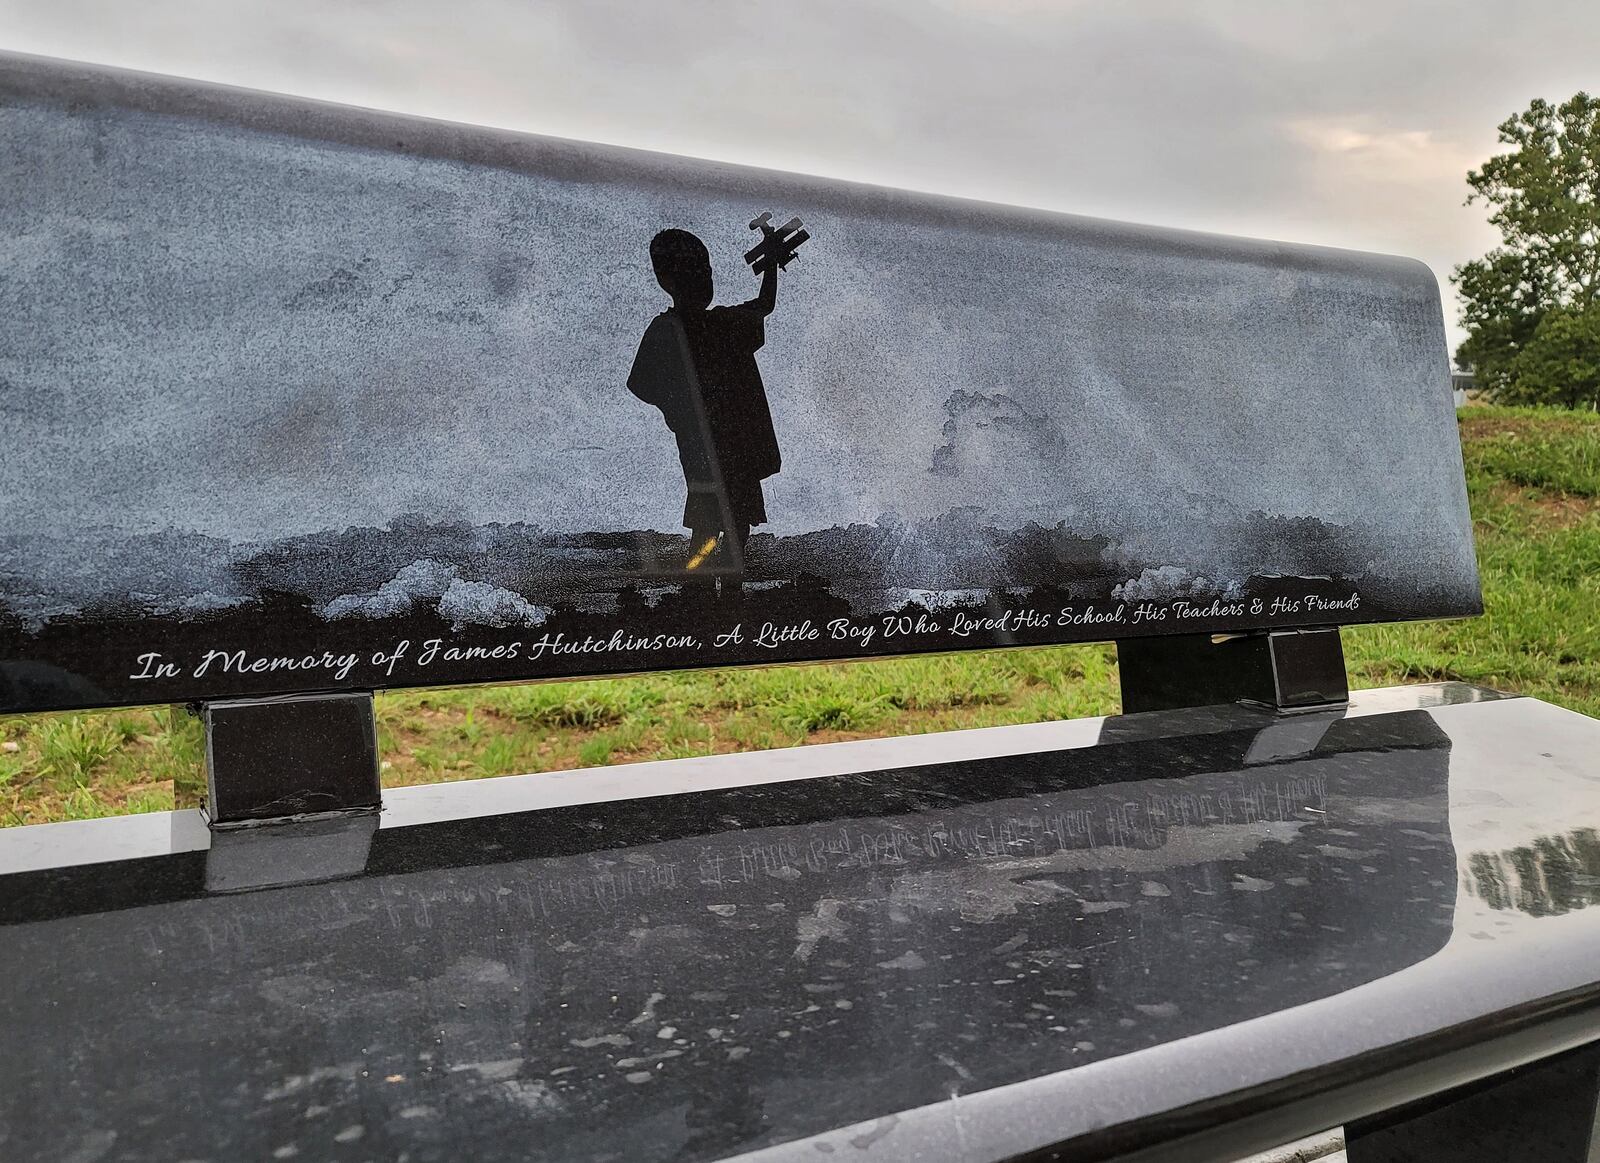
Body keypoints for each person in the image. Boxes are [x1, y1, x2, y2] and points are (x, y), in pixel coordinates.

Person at [627, 227, 783, 584]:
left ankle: (705, 588)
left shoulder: (672, 327)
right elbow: (765, 305)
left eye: (706, 272)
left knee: (714, 524)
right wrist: (771, 264)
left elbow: (640, 383)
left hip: (707, 448)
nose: (705, 280)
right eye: (701, 273)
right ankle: (711, 589)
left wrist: (678, 412)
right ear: (669, 279)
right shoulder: (716, 325)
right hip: (727, 448)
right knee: (722, 524)